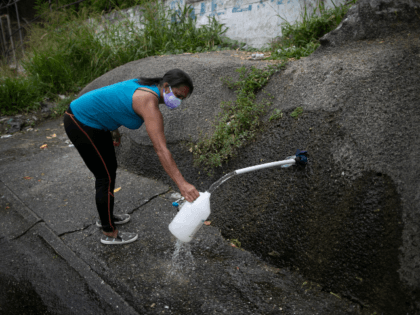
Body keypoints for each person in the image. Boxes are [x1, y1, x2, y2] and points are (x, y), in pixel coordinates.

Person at [63, 69, 200, 245]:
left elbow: (114, 100)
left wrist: (114, 129)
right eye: (178, 96)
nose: (178, 101)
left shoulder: (148, 85)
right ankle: (109, 232)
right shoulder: (148, 101)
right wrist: (182, 184)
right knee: (104, 176)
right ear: (166, 86)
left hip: (97, 123)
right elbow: (161, 149)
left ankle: (107, 217)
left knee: (109, 171)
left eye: (182, 99)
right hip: (80, 120)